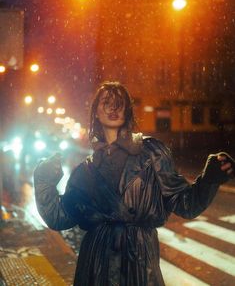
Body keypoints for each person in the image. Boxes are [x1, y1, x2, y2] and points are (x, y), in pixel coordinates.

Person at [34, 81, 235, 286]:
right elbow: (60, 218)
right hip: (96, 266)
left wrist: (210, 179)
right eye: (106, 102)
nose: (113, 107)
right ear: (95, 112)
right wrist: (43, 181)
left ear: (128, 110)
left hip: (139, 261)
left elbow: (186, 204)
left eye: (119, 102)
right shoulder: (85, 171)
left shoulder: (152, 153)